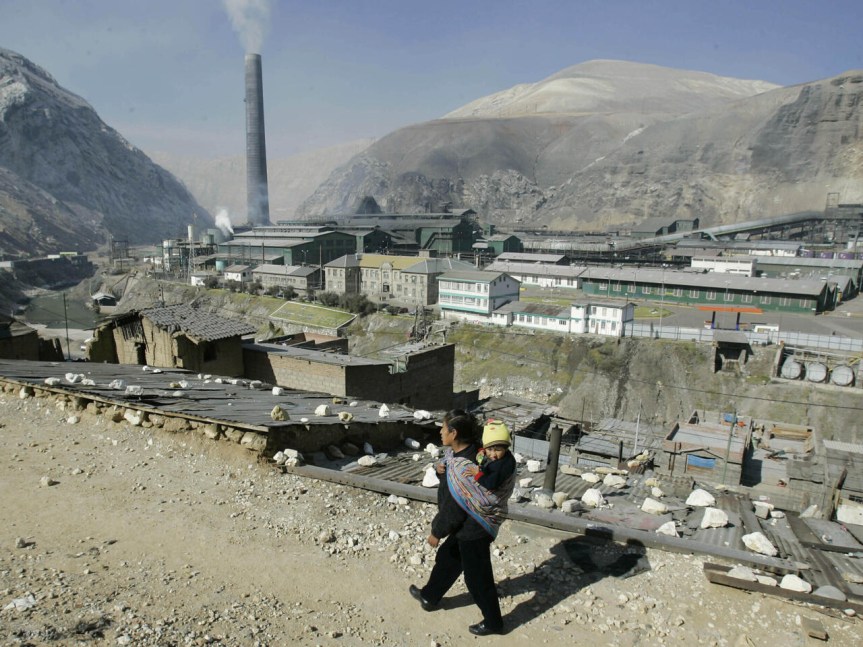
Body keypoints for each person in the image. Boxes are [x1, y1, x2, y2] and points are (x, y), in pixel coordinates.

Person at [408, 410, 512, 636]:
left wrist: (437, 531)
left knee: (477, 577)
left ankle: (494, 622)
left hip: (476, 524)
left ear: (454, 433)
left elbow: (455, 505)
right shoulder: (462, 453)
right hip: (466, 522)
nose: (440, 431)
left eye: (443, 428)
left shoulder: (466, 464)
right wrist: (440, 471)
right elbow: (455, 488)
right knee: (449, 557)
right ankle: (429, 596)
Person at [471, 419, 517, 494]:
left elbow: (490, 484)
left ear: (505, 449)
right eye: (489, 449)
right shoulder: (503, 456)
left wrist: (478, 475)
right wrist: (482, 450)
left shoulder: (502, 465)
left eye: (498, 450)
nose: (493, 454)